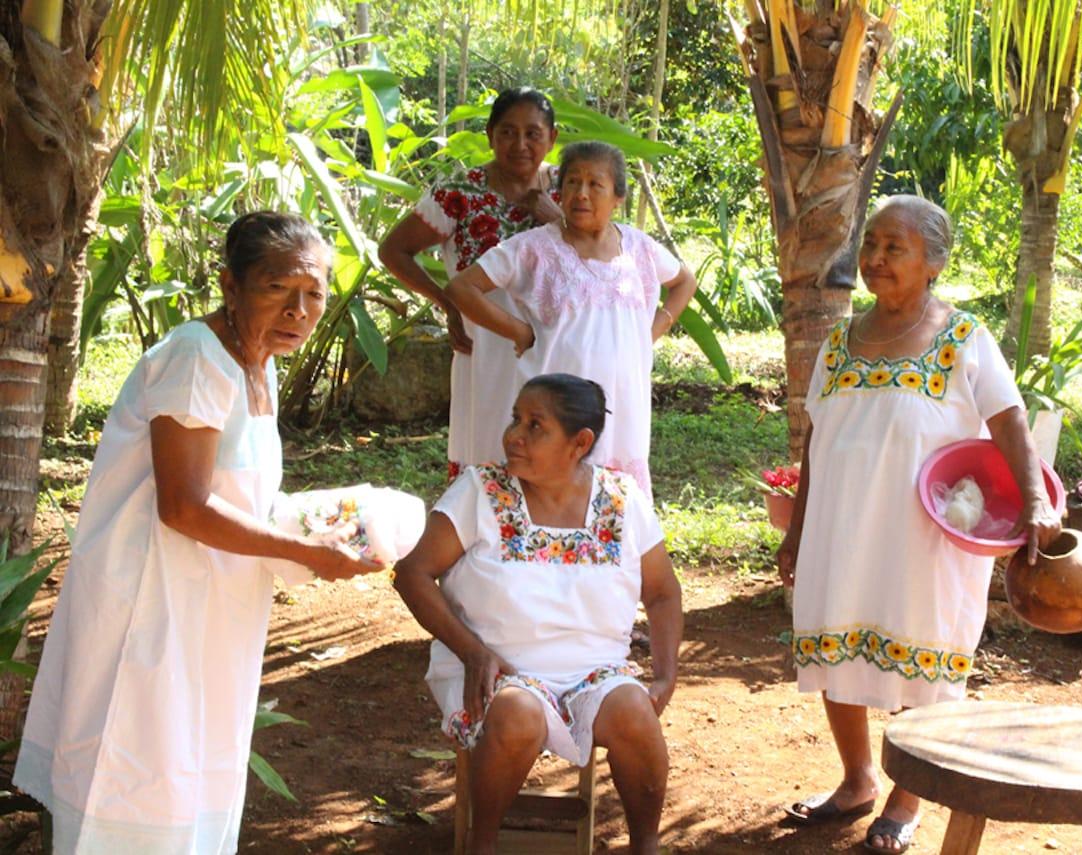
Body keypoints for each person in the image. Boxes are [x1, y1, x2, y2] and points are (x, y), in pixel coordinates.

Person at [15, 212, 380, 853]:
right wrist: (300, 550)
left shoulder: (256, 360)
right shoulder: (196, 356)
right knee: (137, 759)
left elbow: (235, 489)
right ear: (231, 286)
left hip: (210, 603)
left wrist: (317, 523)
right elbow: (183, 506)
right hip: (150, 599)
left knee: (189, 760)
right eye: (278, 288)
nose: (300, 308)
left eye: (315, 293)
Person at [775, 195, 1061, 854]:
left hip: (924, 534)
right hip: (841, 526)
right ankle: (856, 781)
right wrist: (797, 528)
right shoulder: (839, 340)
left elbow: (1010, 422)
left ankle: (908, 797)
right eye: (870, 244)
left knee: (923, 650)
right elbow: (817, 438)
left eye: (893, 247)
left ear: (932, 262)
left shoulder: (964, 338)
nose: (875, 259)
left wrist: (1035, 502)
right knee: (833, 643)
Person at [393, 374, 682, 855]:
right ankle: (480, 845)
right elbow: (413, 574)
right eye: (515, 419)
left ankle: (645, 848)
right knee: (518, 715)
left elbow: (663, 593)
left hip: (595, 673)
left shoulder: (622, 500)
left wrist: (666, 676)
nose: (514, 436)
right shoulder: (479, 491)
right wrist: (473, 653)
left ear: (580, 443)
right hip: (496, 669)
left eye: (535, 425)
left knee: (634, 713)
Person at [445, 141, 698, 494]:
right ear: (559, 192)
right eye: (572, 183)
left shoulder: (640, 248)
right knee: (549, 496)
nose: (581, 194)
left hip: (623, 406)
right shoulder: (533, 248)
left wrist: (654, 329)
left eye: (596, 185)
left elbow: (685, 280)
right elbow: (461, 288)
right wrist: (518, 332)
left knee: (613, 501)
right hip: (554, 409)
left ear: (617, 198)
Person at [379, 87, 562, 480]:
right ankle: (482, 536)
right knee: (487, 447)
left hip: (555, 343)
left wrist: (556, 217)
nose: (521, 144)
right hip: (483, 343)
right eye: (508, 132)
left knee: (550, 447)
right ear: (490, 136)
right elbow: (394, 250)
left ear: (553, 138)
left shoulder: (568, 189)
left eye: (533, 133)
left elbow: (599, 251)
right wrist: (448, 303)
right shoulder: (458, 193)